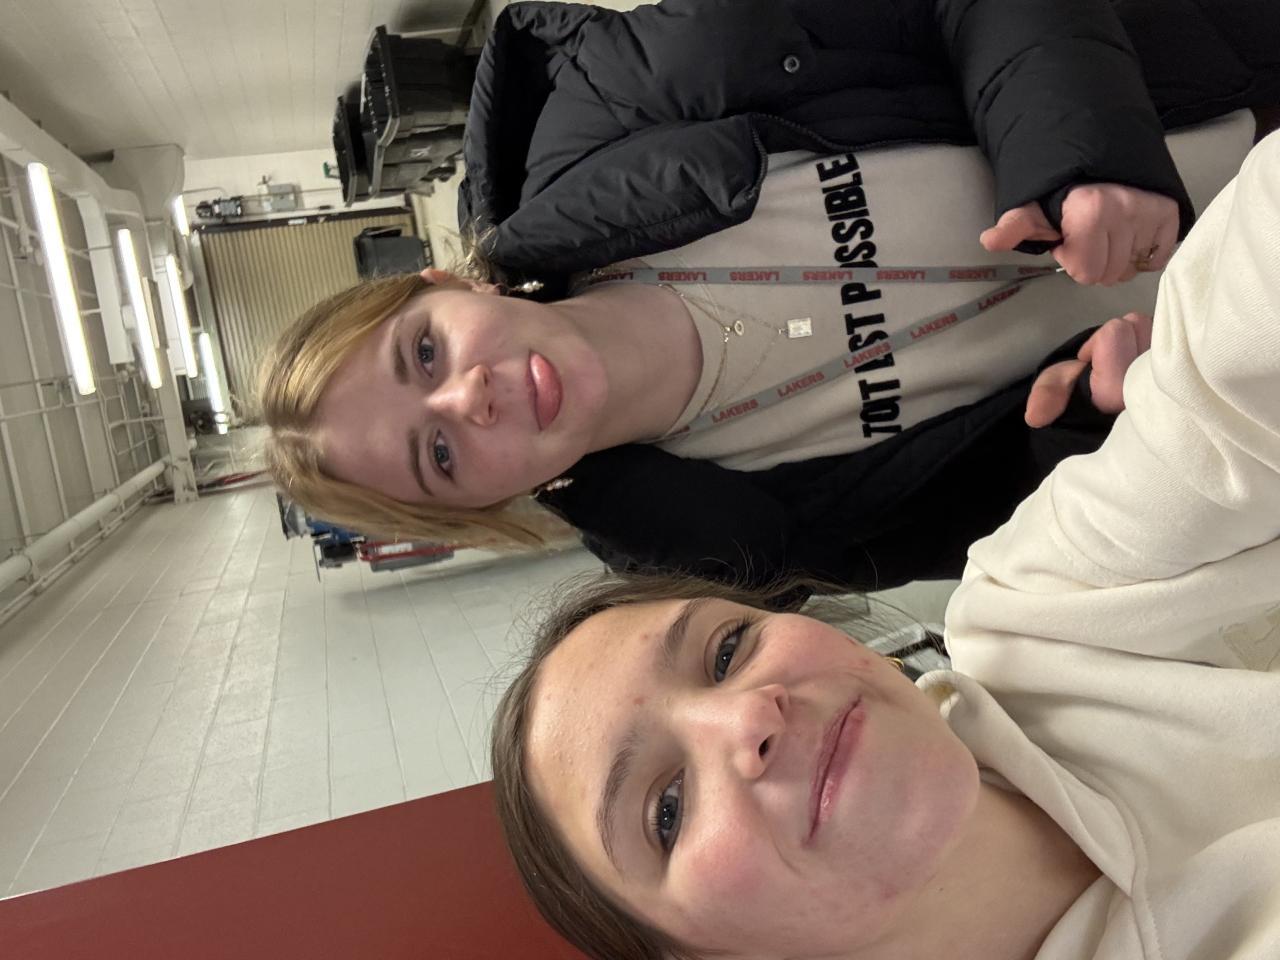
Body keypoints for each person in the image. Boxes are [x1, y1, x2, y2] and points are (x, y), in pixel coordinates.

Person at [489, 128, 1280, 960]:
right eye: (668, 812)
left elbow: (1223, 393)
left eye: (727, 652)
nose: (750, 715)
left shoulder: (1035, 607)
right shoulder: (715, 506)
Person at [260, 0, 1279, 591]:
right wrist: (1090, 428)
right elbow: (1014, 536)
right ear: (481, 507)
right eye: (439, 456)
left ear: (440, 284)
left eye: (424, 354)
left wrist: (1078, 152)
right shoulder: (710, 543)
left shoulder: (624, 104)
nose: (468, 399)